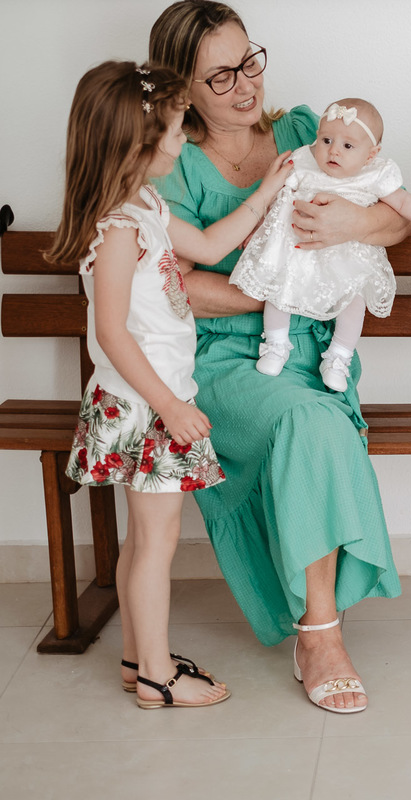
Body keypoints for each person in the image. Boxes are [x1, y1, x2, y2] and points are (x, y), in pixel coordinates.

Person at [149, 0, 411, 713]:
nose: (246, 85)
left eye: (249, 61)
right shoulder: (173, 166)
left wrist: (357, 221)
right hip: (222, 360)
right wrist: (279, 291)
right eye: (220, 76)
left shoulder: (304, 131)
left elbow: (396, 216)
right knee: (309, 423)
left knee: (314, 418)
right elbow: (177, 287)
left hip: (317, 352)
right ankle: (319, 634)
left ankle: (317, 615)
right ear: (180, 89)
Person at [47, 61, 292, 708]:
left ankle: (138, 659)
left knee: (144, 540)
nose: (184, 141)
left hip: (150, 400)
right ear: (137, 146)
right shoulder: (118, 228)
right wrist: (170, 407)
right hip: (143, 405)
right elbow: (111, 334)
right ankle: (159, 675)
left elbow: (208, 247)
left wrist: (267, 190)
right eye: (176, 132)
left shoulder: (146, 206)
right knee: (156, 544)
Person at [231, 98, 411, 391]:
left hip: (348, 256)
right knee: (279, 289)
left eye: (348, 146)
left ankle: (338, 357)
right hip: (298, 250)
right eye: (326, 140)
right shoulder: (304, 162)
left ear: (371, 154)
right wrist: (258, 230)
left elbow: (402, 203)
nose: (333, 150)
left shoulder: (375, 173)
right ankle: (275, 344)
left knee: (354, 302)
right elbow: (274, 199)